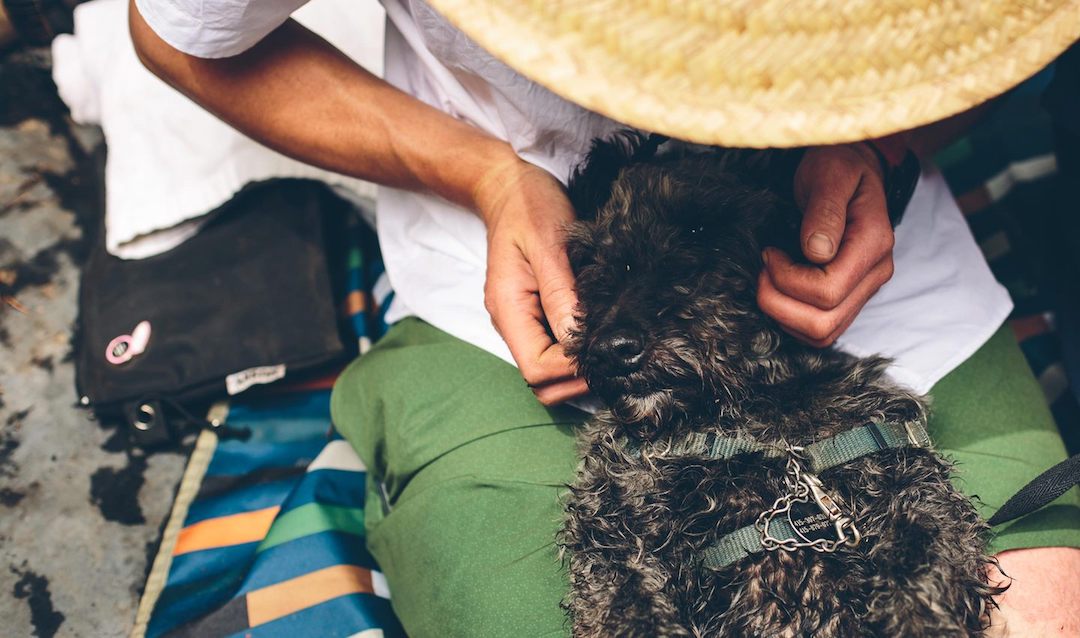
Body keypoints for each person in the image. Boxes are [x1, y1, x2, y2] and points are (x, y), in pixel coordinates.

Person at [129, 0, 1080, 635]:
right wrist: (484, 176)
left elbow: (1020, 30)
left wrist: (882, 144)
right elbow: (180, 35)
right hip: (510, 285)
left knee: (1041, 616)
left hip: (866, 282)